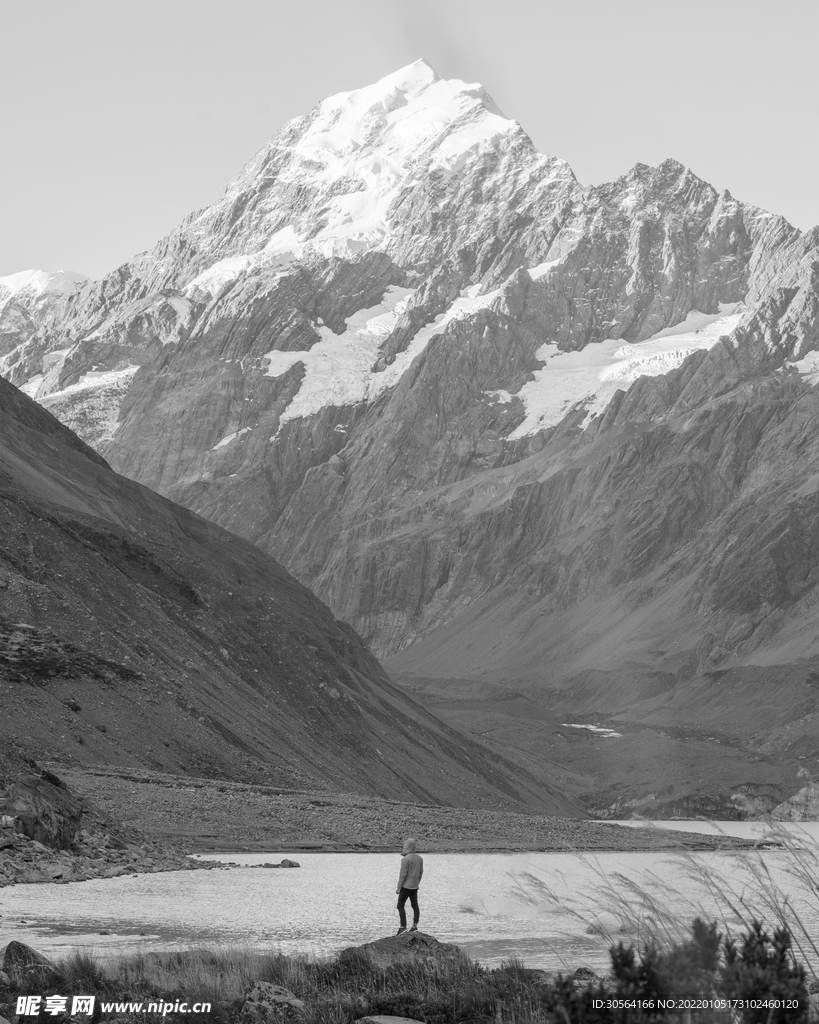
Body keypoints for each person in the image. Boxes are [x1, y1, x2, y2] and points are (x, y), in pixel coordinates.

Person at [395, 837, 423, 934]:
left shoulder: (405, 859)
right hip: (414, 887)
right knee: (415, 905)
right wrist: (417, 883)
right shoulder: (419, 858)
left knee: (400, 905)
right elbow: (420, 872)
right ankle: (415, 926)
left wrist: (399, 887)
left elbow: (403, 875)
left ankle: (403, 927)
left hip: (406, 887)